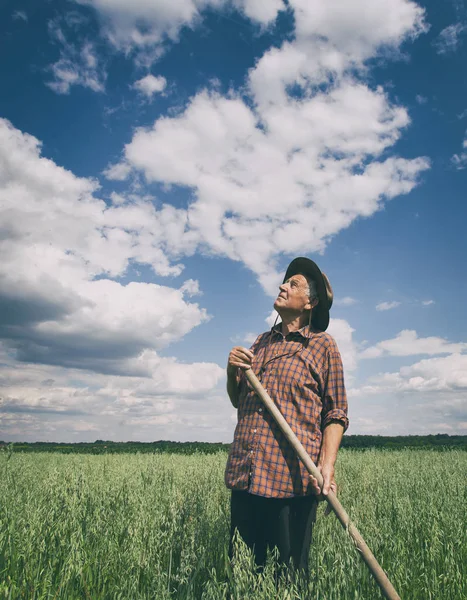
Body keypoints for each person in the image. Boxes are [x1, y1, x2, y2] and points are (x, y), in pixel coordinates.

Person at [224, 257, 348, 575]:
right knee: (243, 574)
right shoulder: (261, 343)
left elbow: (336, 412)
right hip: (245, 476)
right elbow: (239, 401)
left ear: (311, 301)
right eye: (285, 281)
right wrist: (232, 370)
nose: (282, 286)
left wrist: (327, 466)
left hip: (290, 482)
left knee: (287, 578)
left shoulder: (322, 346)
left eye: (293, 284)